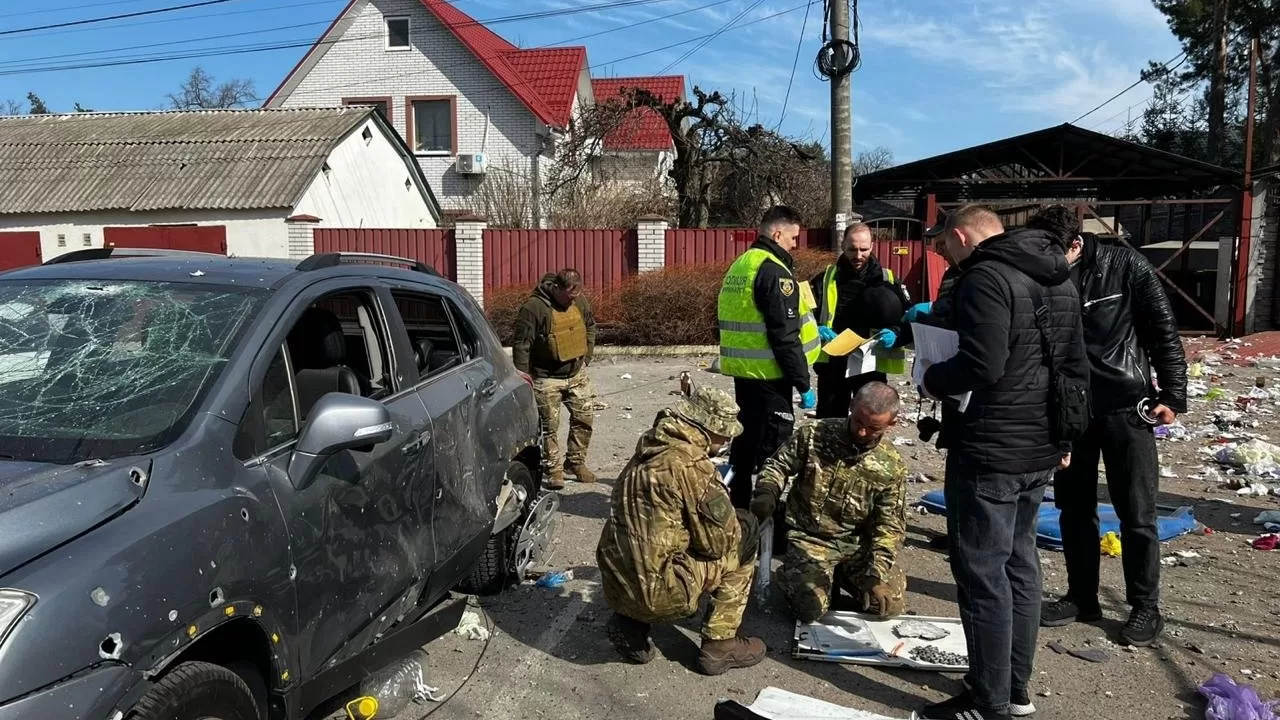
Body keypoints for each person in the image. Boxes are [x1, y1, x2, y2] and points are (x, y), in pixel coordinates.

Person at [918, 204, 1088, 720]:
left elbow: (982, 364)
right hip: (1038, 448)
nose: (947, 254)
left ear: (964, 235)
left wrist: (931, 378)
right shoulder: (1059, 276)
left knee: (982, 574)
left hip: (992, 448)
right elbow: (1075, 364)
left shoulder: (986, 278)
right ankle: (1016, 690)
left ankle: (987, 699)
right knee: (1020, 564)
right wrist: (1065, 437)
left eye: (947, 245)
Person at [1031, 207, 1188, 647]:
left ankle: (1145, 606)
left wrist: (1173, 396)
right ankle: (1082, 596)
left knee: (1136, 513)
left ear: (1076, 244)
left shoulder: (1125, 266)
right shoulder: (1045, 276)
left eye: (1053, 251)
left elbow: (1163, 331)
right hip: (1071, 410)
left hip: (1125, 405)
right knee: (1073, 509)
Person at [596, 386, 766, 676]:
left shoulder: (648, 448)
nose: (727, 440)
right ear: (711, 428)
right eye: (726, 433)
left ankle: (630, 624)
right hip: (660, 591)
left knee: (647, 544)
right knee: (745, 535)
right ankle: (720, 644)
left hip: (616, 581)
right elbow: (717, 544)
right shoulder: (690, 465)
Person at [749, 382, 909, 623]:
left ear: (891, 424)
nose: (863, 432)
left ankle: (842, 576)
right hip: (809, 538)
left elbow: (890, 526)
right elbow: (778, 465)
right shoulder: (815, 434)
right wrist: (767, 492)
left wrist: (875, 574)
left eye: (873, 428)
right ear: (852, 407)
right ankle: (793, 574)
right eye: (859, 422)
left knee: (889, 605)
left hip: (855, 544)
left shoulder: (891, 466)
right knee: (810, 610)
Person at [718, 205, 822, 507]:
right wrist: (803, 384)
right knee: (772, 454)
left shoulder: (742, 264)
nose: (795, 244)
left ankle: (737, 512)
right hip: (770, 377)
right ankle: (767, 528)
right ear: (777, 233)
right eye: (793, 238)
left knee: (745, 444)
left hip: (744, 373)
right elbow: (784, 336)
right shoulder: (775, 271)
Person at [809, 223, 911, 418]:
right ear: (843, 245)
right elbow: (805, 315)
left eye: (864, 249)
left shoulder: (887, 279)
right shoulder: (825, 279)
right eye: (852, 249)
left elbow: (906, 317)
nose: (858, 255)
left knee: (869, 420)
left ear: (872, 246)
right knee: (829, 421)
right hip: (834, 363)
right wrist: (817, 328)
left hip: (871, 363)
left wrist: (896, 334)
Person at [511, 269, 597, 490]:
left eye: (576, 295)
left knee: (584, 418)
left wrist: (587, 356)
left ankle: (575, 463)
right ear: (557, 288)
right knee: (549, 427)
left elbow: (589, 326)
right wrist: (523, 376)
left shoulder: (579, 302)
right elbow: (522, 344)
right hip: (546, 378)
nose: (572, 299)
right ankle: (554, 469)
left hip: (577, 373)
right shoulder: (534, 308)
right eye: (569, 295)